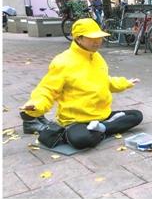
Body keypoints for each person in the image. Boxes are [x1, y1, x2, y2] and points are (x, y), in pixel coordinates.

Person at [19, 19, 143, 149]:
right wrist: (36, 105)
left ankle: (102, 128)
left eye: (100, 37)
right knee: (81, 140)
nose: (98, 41)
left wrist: (125, 83)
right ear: (78, 38)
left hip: (101, 115)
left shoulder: (97, 57)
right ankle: (103, 129)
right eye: (92, 38)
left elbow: (105, 81)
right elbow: (47, 89)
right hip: (76, 120)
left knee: (136, 115)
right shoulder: (62, 61)